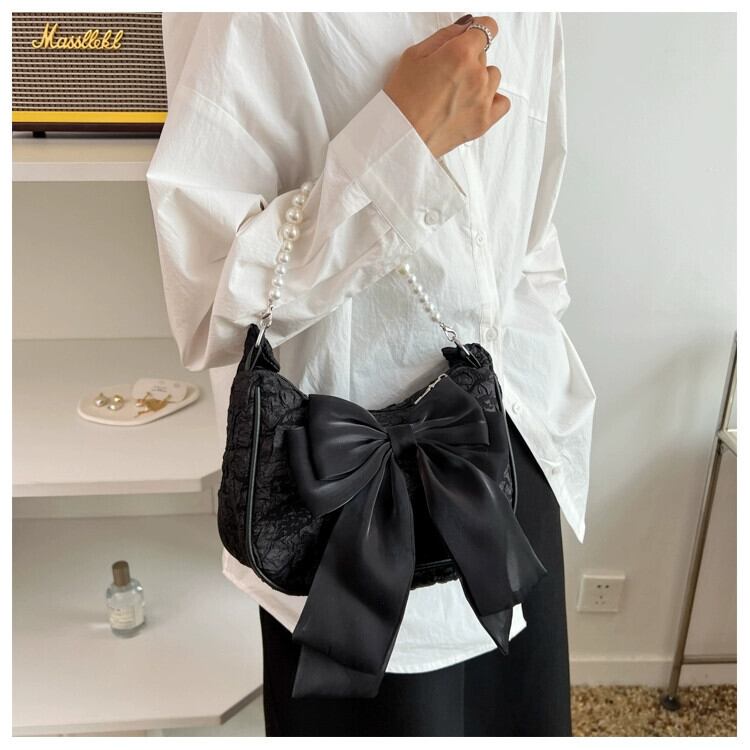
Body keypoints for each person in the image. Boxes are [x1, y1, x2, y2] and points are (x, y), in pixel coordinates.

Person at [146, 11, 596, 736]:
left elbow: (530, 209)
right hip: (344, 505)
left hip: (517, 441)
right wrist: (400, 151)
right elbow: (209, 307)